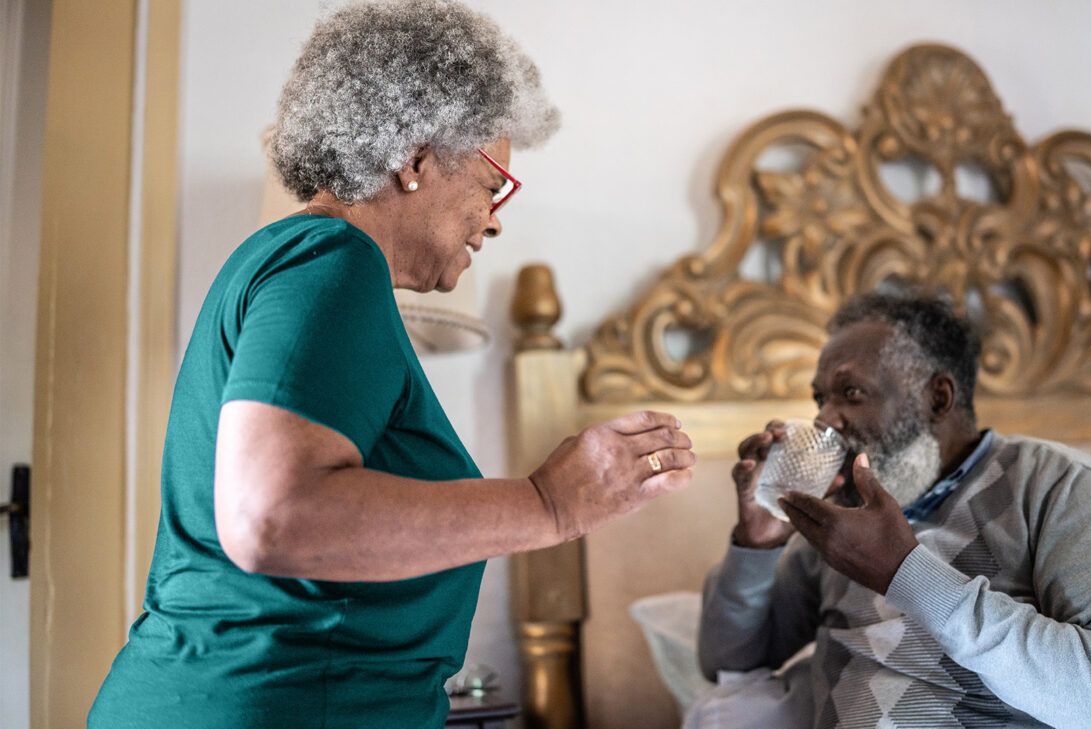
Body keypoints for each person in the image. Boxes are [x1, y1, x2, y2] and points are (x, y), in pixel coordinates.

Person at [88, 2, 695, 727]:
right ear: (415, 159)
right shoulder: (331, 262)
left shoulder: (298, 264)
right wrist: (549, 503)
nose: (496, 216)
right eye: (492, 180)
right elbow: (271, 516)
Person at [697, 293, 1091, 728]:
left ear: (937, 398)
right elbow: (728, 660)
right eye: (820, 398)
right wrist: (756, 546)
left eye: (851, 393)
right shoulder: (842, 512)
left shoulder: (1055, 484)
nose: (824, 417)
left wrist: (908, 574)